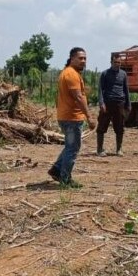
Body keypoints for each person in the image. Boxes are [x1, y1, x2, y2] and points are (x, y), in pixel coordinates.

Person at [49, 47, 96, 187]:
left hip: (66, 116)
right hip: (72, 118)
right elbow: (78, 97)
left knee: (70, 146)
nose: (83, 61)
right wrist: (89, 117)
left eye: (85, 58)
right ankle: (65, 179)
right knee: (72, 149)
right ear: (72, 58)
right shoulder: (71, 74)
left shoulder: (69, 73)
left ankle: (56, 169)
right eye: (80, 58)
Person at [97, 53, 132, 157]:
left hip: (119, 104)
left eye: (119, 62)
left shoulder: (123, 74)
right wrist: (101, 103)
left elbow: (126, 89)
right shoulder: (104, 74)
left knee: (120, 127)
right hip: (107, 104)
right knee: (102, 126)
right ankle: (99, 149)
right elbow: (100, 90)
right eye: (115, 62)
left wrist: (128, 104)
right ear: (111, 62)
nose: (118, 64)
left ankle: (119, 149)